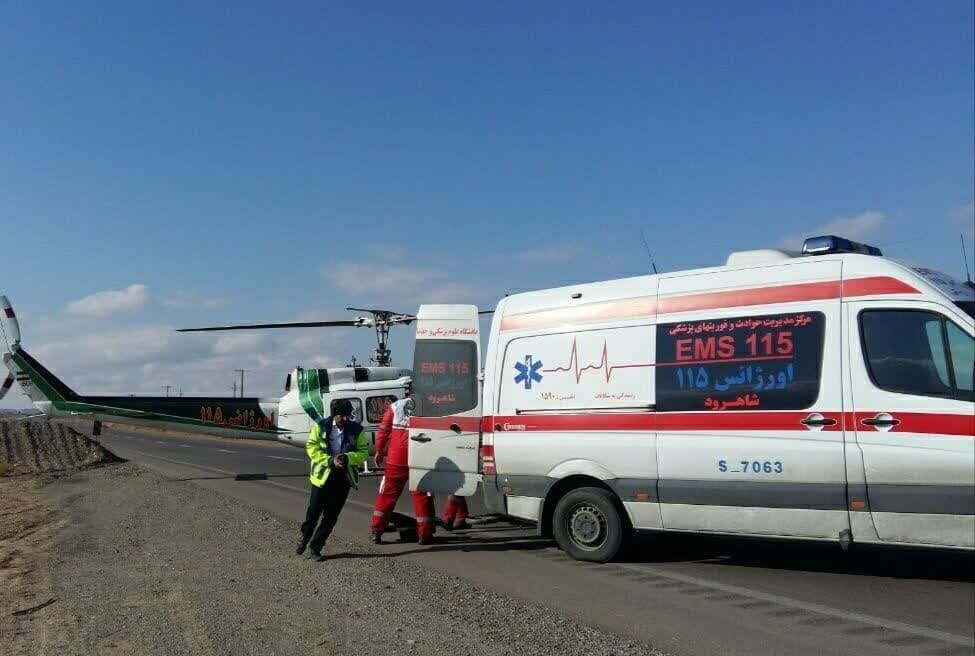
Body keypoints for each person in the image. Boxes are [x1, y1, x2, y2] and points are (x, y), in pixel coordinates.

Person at [296, 399, 369, 561]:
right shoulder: (321, 426)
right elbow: (311, 447)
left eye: (348, 415)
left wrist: (347, 458)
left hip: (343, 478)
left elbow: (364, 452)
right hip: (322, 477)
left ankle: (315, 548)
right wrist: (330, 460)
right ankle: (304, 538)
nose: (345, 418)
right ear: (334, 414)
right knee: (313, 512)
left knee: (331, 517)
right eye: (342, 415)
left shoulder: (357, 430)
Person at [369, 392, 437, 545]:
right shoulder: (430, 408)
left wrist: (379, 451)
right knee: (421, 496)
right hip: (419, 458)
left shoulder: (395, 407)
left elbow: (383, 431)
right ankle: (425, 535)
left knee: (387, 495)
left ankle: (376, 531)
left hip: (396, 459)